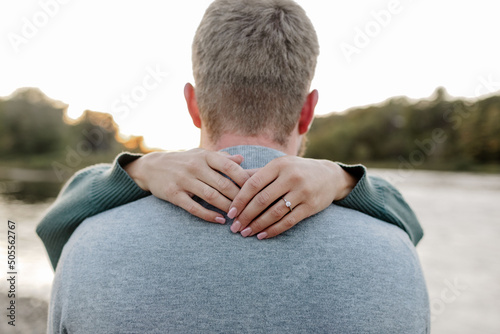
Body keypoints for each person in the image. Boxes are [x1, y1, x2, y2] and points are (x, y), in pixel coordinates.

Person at [46, 0, 430, 332]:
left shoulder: (86, 244)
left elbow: (54, 225)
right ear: (308, 111)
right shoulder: (396, 254)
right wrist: (346, 179)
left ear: (193, 104)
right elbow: (409, 223)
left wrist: (135, 170)